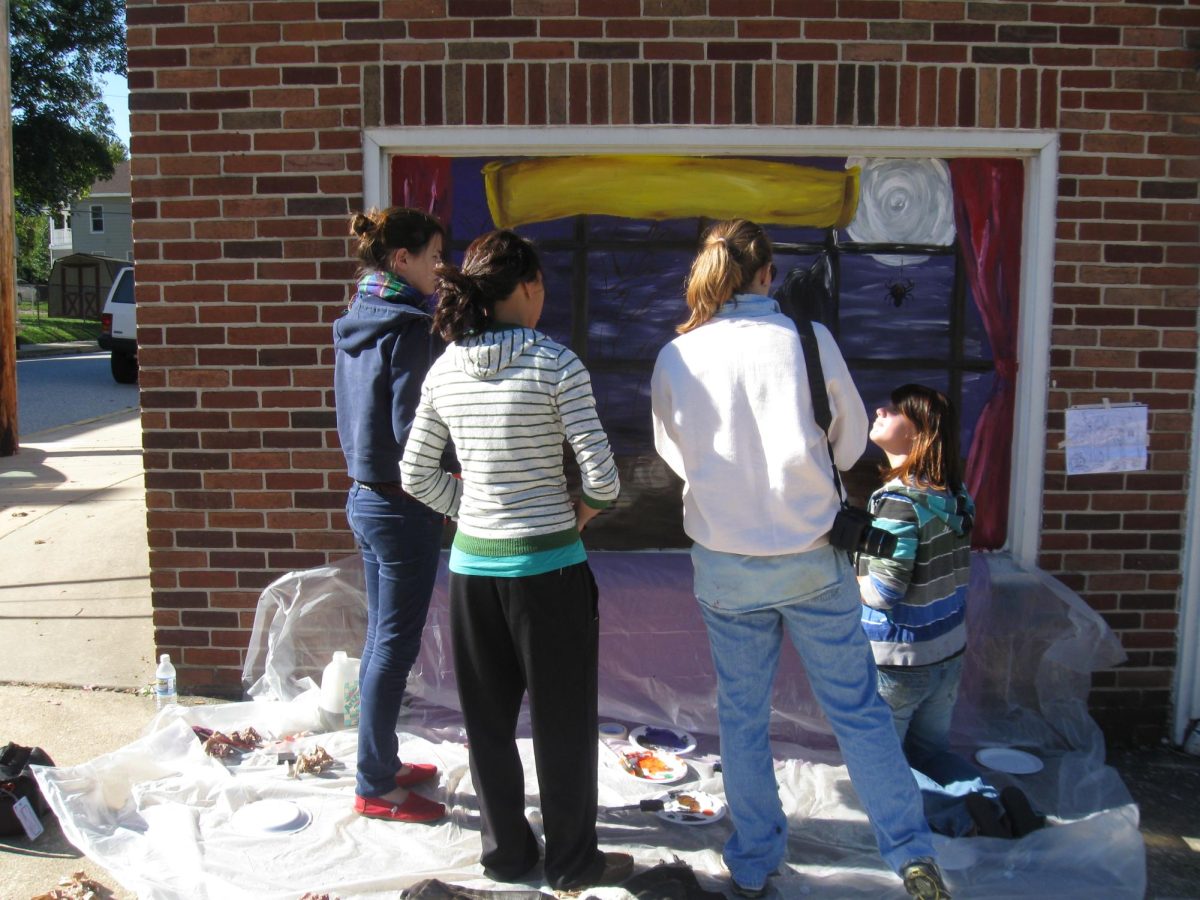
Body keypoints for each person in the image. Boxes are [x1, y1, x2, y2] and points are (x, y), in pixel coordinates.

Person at [650, 219, 951, 900]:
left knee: (742, 717)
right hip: (813, 558)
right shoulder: (807, 341)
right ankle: (910, 854)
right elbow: (846, 449)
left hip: (726, 568)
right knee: (860, 712)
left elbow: (675, 457)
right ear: (767, 274)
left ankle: (756, 859)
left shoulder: (678, 355)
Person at [400, 230, 631, 890]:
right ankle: (571, 863)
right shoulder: (556, 363)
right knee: (563, 728)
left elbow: (416, 473)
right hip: (550, 575)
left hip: (473, 573)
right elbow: (605, 480)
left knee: (488, 726)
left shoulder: (444, 369)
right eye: (544, 285)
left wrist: (467, 510)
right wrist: (578, 514)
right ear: (527, 285)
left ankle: (505, 855)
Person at [859, 384, 1043, 839]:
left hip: (898, 662)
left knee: (881, 764)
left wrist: (845, 572)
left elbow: (883, 590)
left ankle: (959, 817)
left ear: (919, 436)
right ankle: (996, 806)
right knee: (931, 752)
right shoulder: (956, 496)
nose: (880, 409)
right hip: (946, 652)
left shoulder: (897, 503)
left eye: (897, 410)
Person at [334, 207, 449, 824]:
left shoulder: (355, 321)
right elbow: (413, 429)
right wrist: (454, 463)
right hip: (404, 507)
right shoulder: (410, 328)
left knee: (381, 641)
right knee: (391, 648)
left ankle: (381, 761)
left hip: (365, 496)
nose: (440, 266)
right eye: (432, 255)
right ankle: (375, 784)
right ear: (399, 260)